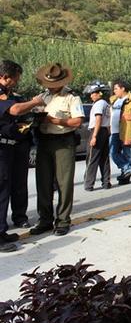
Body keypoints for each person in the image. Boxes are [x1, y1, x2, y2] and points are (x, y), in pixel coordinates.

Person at [29, 62, 84, 237]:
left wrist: (55, 121)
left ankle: (63, 220)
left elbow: (77, 122)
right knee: (43, 182)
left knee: (64, 183)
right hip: (44, 141)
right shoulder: (42, 96)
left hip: (63, 142)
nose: (50, 87)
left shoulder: (72, 97)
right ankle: (45, 220)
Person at [0, 60, 45, 250]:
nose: (16, 83)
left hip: (10, 148)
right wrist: (36, 101)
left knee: (7, 189)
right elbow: (15, 109)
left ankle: (2, 231)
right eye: (15, 80)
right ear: (5, 77)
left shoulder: (9, 94)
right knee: (0, 191)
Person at [83, 81, 111, 191]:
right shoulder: (106, 103)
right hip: (104, 131)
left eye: (93, 93)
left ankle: (89, 184)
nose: (91, 95)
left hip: (97, 130)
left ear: (99, 93)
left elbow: (98, 119)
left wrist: (94, 136)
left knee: (92, 158)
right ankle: (106, 182)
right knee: (104, 158)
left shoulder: (99, 104)